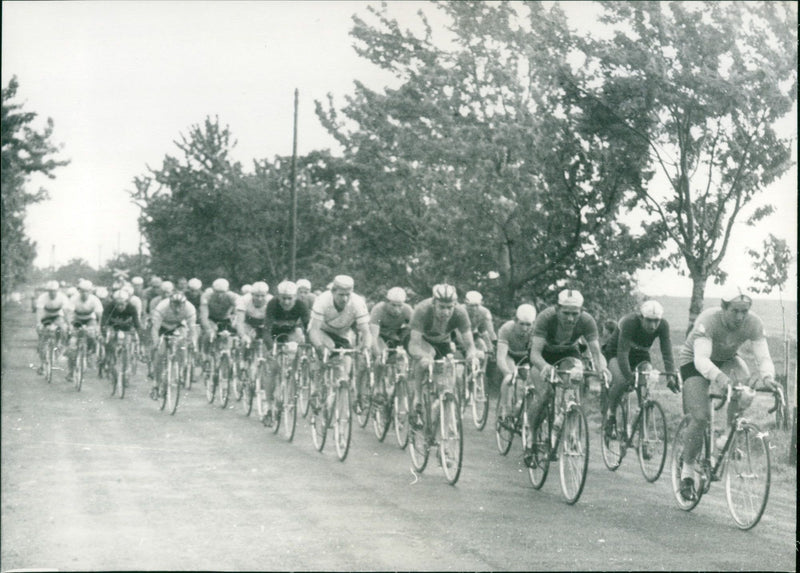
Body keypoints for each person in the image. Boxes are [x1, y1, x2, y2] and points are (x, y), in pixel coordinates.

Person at [676, 286, 777, 502]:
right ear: (724, 308)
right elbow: (701, 360)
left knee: (744, 381)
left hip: (727, 358)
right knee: (701, 417)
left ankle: (727, 436)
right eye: (735, 311)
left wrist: (768, 376)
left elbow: (764, 356)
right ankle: (687, 471)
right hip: (695, 361)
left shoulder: (754, 323)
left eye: (744, 311)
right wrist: (721, 379)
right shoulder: (709, 319)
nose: (740, 317)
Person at [526, 289, 609, 440]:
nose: (570, 319)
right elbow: (535, 354)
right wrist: (544, 366)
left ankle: (567, 418)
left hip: (568, 353)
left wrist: (602, 369)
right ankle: (531, 432)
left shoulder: (587, 320)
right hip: (544, 355)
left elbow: (596, 352)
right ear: (557, 309)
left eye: (575, 314)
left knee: (575, 381)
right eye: (566, 313)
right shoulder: (545, 317)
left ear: (581, 311)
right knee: (545, 394)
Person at [601, 300, 679, 439]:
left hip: (640, 354)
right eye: (649, 321)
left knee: (646, 392)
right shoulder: (630, 322)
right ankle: (610, 415)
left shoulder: (663, 325)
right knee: (621, 381)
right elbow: (622, 353)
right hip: (615, 352)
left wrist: (670, 376)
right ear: (641, 317)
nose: (653, 325)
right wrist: (629, 377)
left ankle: (644, 437)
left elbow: (667, 351)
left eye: (656, 321)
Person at [407, 284, 479, 428]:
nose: (446, 312)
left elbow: (470, 345)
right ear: (433, 304)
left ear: (455, 305)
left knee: (450, 373)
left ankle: (442, 407)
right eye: (441, 307)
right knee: (426, 359)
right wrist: (424, 357)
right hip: (422, 341)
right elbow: (413, 345)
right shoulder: (422, 310)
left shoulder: (460, 313)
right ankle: (418, 399)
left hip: (442, 341)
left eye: (449, 307)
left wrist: (472, 355)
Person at [307, 275, 372, 411]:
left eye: (348, 295)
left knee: (345, 367)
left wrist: (365, 347)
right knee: (327, 350)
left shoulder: (357, 302)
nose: (344, 299)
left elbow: (366, 332)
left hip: (341, 334)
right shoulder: (323, 300)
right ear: (333, 291)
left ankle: (338, 396)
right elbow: (314, 331)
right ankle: (316, 390)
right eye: (341, 295)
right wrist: (319, 347)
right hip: (321, 331)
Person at [259, 280, 311, 426]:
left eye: (290, 298)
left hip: (290, 333)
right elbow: (266, 330)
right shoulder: (272, 304)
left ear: (295, 297)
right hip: (273, 334)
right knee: (272, 368)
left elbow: (308, 327)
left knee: (293, 358)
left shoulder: (301, 305)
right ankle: (268, 407)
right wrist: (270, 348)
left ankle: (289, 385)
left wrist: (308, 344)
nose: (286, 302)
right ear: (278, 297)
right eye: (283, 298)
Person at [149, 291, 198, 398]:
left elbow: (192, 329)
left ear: (184, 304)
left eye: (180, 305)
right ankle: (156, 384)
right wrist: (156, 342)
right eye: (174, 305)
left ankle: (179, 371)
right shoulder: (162, 306)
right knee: (160, 353)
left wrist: (191, 341)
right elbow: (155, 328)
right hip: (163, 327)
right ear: (170, 303)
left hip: (178, 327)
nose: (177, 308)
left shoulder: (190, 308)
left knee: (182, 346)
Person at [496, 304, 537, 426]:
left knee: (533, 383)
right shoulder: (506, 329)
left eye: (528, 324)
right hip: (510, 355)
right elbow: (501, 357)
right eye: (521, 324)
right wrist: (506, 372)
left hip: (527, 357)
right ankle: (504, 409)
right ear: (515, 320)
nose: (525, 328)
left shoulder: (536, 332)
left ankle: (525, 412)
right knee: (509, 377)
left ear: (533, 323)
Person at [64, 279, 104, 382]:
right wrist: (70, 326)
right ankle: (71, 371)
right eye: (82, 291)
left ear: (90, 291)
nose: (85, 293)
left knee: (93, 335)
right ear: (79, 291)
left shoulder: (95, 300)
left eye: (87, 291)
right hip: (77, 319)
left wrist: (98, 328)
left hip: (90, 319)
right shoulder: (74, 299)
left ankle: (90, 352)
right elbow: (69, 313)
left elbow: (99, 316)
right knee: (72, 344)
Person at [100, 288, 143, 369]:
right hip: (113, 327)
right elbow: (103, 322)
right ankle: (108, 357)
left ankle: (129, 358)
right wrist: (104, 333)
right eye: (117, 304)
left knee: (128, 342)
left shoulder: (132, 308)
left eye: (122, 304)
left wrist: (138, 333)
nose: (120, 307)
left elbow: (137, 323)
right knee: (110, 342)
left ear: (126, 302)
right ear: (114, 303)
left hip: (127, 328)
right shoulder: (109, 307)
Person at [35, 280, 70, 372]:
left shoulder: (63, 297)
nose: (52, 293)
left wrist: (68, 324)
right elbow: (39, 311)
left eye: (54, 291)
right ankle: (42, 364)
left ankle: (60, 346)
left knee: (63, 329)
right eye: (50, 291)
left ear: (57, 290)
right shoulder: (42, 297)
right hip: (46, 316)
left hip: (58, 316)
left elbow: (66, 312)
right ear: (47, 291)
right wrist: (38, 323)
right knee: (42, 335)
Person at [462, 290, 497, 357]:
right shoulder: (461, 310)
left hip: (472, 333)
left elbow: (489, 331)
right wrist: (467, 348)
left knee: (483, 346)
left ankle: (484, 366)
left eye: (476, 305)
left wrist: (494, 344)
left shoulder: (484, 312)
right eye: (471, 306)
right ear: (465, 303)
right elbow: (458, 333)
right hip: (456, 333)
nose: (474, 309)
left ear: (481, 304)